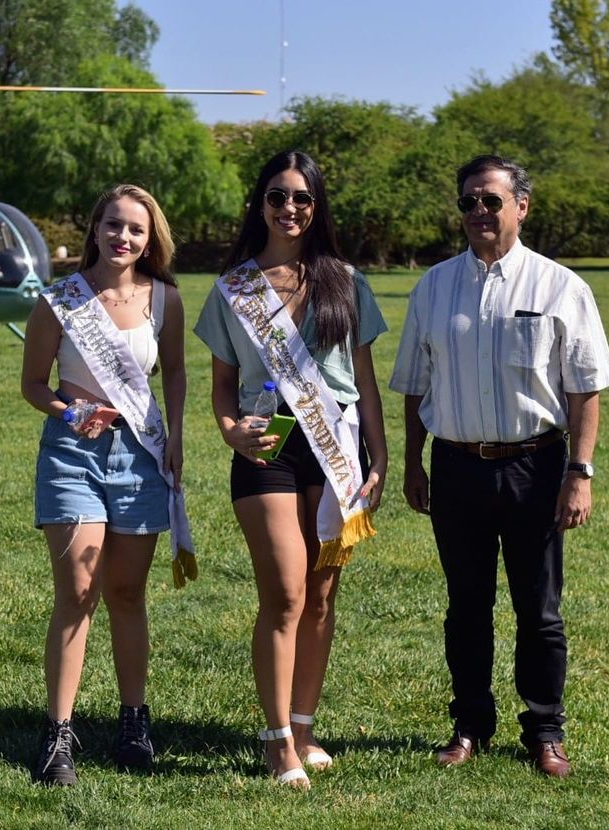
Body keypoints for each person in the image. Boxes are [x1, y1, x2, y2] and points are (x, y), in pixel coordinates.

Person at [389, 154, 609, 778]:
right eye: (469, 202)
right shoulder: (434, 287)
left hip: (536, 468)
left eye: (491, 201)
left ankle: (544, 729)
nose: (479, 213)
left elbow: (585, 389)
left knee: (539, 610)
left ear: (522, 206)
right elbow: (414, 384)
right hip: (457, 467)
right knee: (466, 606)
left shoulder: (561, 286)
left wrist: (580, 472)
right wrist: (414, 463)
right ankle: (470, 724)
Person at [194, 150, 387, 789]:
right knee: (285, 593)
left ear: (317, 206)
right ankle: (278, 742)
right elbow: (222, 386)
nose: (290, 208)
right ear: (261, 204)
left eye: (303, 198)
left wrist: (380, 460)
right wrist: (229, 431)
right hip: (268, 443)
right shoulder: (234, 288)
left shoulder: (346, 282)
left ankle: (305, 729)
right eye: (278, 196)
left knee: (323, 598)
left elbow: (363, 379)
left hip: (335, 448)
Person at [21, 183, 194, 786]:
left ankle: (133, 722)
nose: (124, 238)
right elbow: (34, 385)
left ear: (151, 239)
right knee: (78, 590)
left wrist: (174, 436)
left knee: (126, 594)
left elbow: (173, 373)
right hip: (73, 454)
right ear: (95, 228)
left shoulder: (165, 300)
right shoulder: (59, 301)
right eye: (114, 225)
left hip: (139, 454)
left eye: (137, 230)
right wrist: (71, 414)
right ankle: (58, 734)